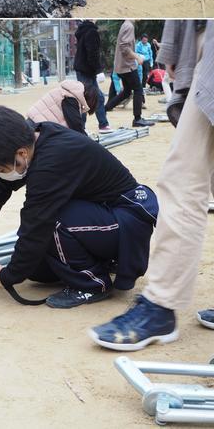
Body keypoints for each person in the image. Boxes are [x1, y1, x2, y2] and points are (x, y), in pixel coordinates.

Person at [89, 21, 214, 349]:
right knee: (183, 177)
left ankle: (160, 304)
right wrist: (176, 49)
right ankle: (160, 305)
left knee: (183, 178)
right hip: (206, 47)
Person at [0, 105, 158, 309]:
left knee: (52, 222)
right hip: (103, 215)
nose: (0, 173)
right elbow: (3, 181)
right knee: (37, 271)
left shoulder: (52, 160)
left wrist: (8, 275)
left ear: (21, 153)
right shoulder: (35, 138)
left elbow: (36, 225)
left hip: (127, 219)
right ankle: (101, 261)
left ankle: (92, 284)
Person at [106, 19, 154, 128]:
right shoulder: (129, 26)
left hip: (123, 66)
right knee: (138, 89)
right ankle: (137, 119)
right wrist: (137, 57)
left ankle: (105, 108)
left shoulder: (125, 25)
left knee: (127, 92)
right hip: (127, 66)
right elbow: (124, 47)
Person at [73, 19, 111, 130]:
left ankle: (102, 124)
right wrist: (98, 70)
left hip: (84, 69)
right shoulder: (91, 32)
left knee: (97, 97)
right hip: (87, 70)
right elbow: (92, 54)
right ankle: (82, 128)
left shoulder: (83, 30)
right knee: (85, 98)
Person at [27, 79, 101, 133]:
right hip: (36, 129)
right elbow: (76, 127)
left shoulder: (66, 91)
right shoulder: (70, 98)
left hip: (33, 125)